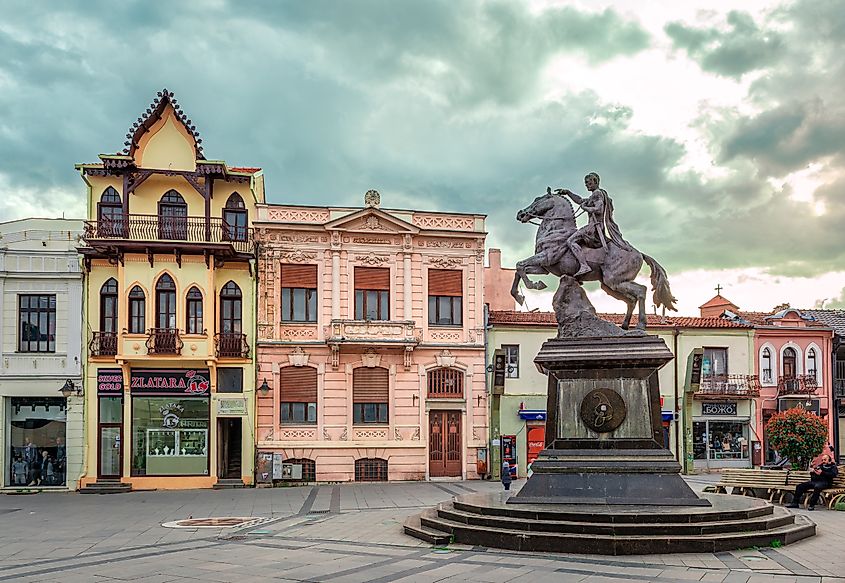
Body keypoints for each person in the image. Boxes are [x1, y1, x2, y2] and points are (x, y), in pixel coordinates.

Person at [555, 172, 633, 277]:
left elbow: (599, 209)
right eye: (585, 183)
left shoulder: (597, 193)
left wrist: (585, 208)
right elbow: (580, 200)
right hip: (594, 228)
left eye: (589, 182)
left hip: (593, 229)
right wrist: (568, 193)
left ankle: (584, 265)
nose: (586, 184)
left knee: (570, 240)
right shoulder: (595, 195)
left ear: (595, 182)